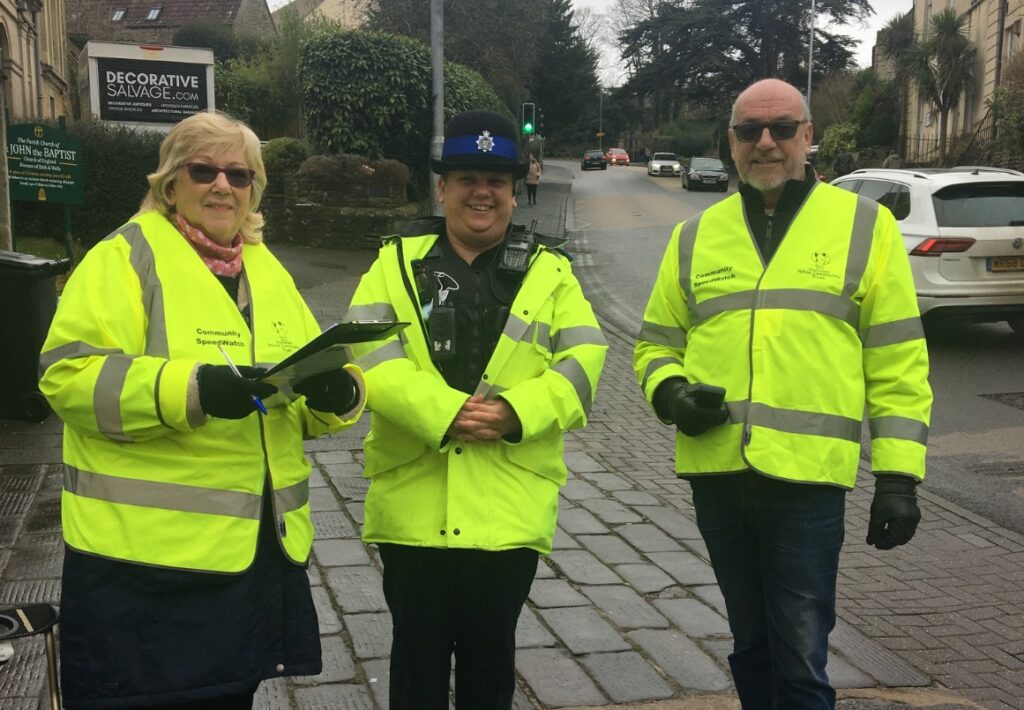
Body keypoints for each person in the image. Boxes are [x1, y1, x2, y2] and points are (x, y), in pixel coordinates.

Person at [39, 111, 367, 709]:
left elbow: (301, 372)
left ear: (254, 189)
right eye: (204, 170)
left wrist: (336, 395)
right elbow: (67, 376)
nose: (223, 185)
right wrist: (191, 390)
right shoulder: (123, 257)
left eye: (239, 175)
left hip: (247, 559)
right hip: (143, 568)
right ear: (170, 181)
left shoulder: (265, 267)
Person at [633, 78, 932, 709]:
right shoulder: (694, 235)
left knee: (800, 654)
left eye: (781, 128)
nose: (765, 143)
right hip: (717, 474)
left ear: (808, 137)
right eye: (749, 131)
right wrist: (672, 395)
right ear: (732, 142)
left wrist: (899, 478)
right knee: (750, 643)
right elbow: (655, 345)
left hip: (807, 484)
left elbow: (897, 359)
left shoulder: (865, 226)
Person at [346, 109, 607, 709]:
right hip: (412, 505)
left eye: (496, 179)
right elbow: (367, 353)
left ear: (515, 192)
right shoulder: (393, 263)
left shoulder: (552, 270)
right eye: (466, 177)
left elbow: (585, 355)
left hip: (507, 511)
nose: (481, 192)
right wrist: (445, 412)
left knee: (492, 662)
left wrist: (518, 411)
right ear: (442, 188)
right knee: (416, 660)